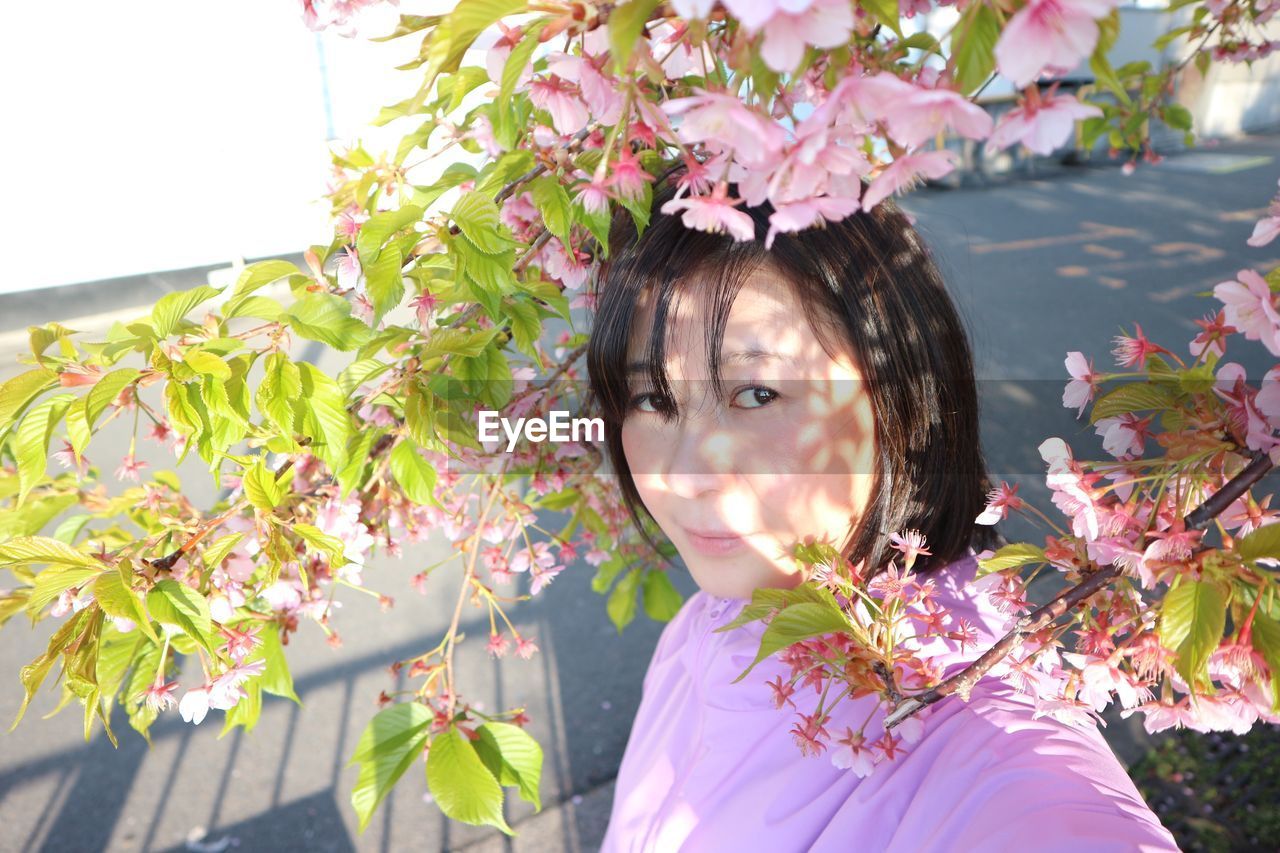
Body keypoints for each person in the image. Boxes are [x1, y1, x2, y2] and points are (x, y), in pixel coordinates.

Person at [583, 169, 1180, 851]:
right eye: (652, 399)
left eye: (756, 394)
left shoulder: (996, 752)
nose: (686, 473)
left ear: (901, 391)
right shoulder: (705, 623)